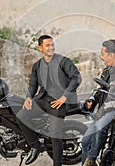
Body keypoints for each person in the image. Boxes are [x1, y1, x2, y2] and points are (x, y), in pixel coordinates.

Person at [16, 35, 82, 166]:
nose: (51, 47)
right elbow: (33, 85)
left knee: (55, 135)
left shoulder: (64, 61)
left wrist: (64, 97)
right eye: (48, 45)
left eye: (52, 44)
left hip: (59, 102)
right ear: (40, 48)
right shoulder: (37, 66)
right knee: (21, 116)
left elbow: (76, 78)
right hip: (43, 99)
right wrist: (28, 98)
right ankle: (35, 145)